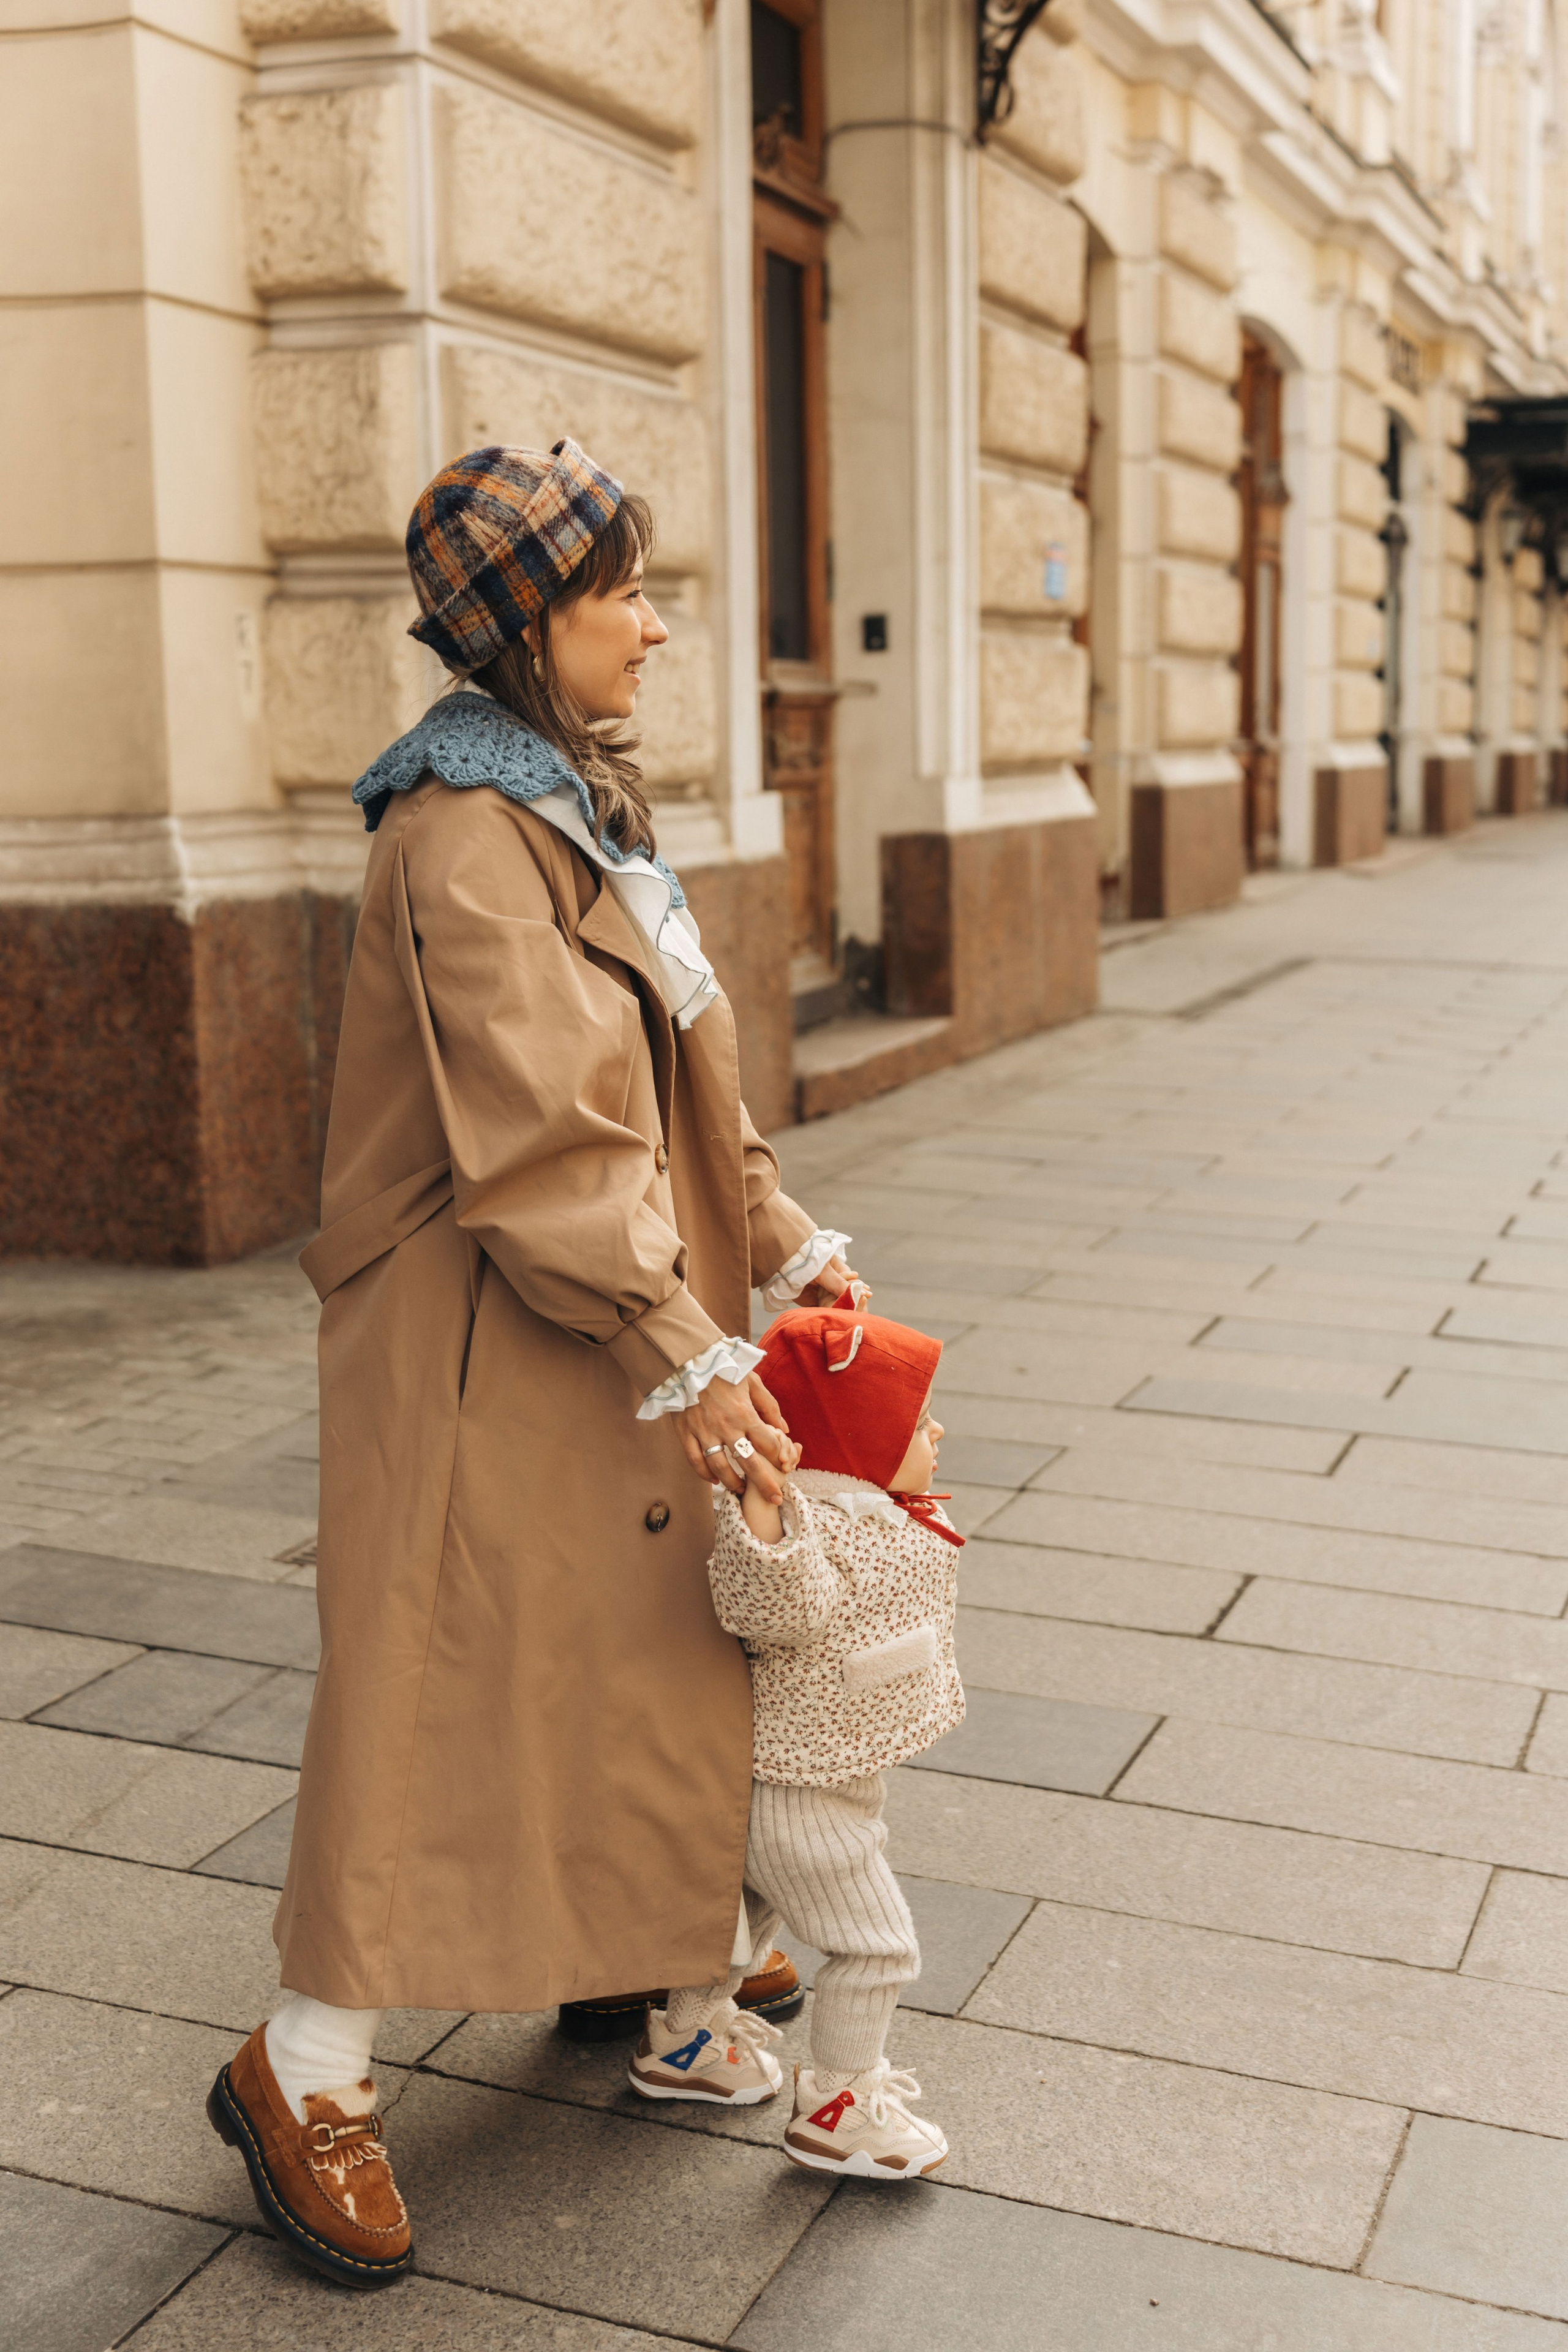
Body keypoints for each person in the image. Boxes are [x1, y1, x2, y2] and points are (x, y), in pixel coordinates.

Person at [206, 440, 857, 2288]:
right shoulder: (463, 836)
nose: (653, 628)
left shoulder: (576, 801)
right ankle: (305, 2063)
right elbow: (550, 1134)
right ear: (524, 631)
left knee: (630, 1650)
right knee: (434, 1683)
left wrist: (788, 1237)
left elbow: (679, 1070)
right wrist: (683, 1339)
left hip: (588, 1312)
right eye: (616, 597)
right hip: (489, 1330)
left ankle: (646, 1968)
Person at [627, 1291, 963, 2182]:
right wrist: (767, 1518)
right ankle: (843, 2107)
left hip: (810, 1774)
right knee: (874, 1945)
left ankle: (686, 2041)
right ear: (854, 1448)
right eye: (918, 1419)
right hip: (796, 1791)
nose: (942, 1432)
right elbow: (776, 1606)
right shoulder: (800, 1529)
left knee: (742, 1915)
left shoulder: (873, 1513)